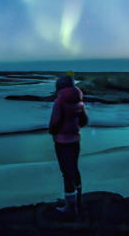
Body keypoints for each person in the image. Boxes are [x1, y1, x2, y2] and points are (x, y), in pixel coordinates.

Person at [48, 70, 89, 221]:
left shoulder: (59, 101)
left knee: (66, 173)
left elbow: (54, 123)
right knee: (74, 169)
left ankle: (70, 209)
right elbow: (84, 120)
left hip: (62, 142)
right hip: (75, 140)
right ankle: (78, 202)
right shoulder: (79, 100)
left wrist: (53, 131)